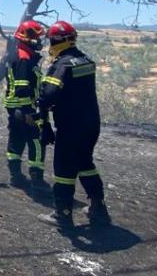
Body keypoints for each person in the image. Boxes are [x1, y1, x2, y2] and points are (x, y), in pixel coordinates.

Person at [38, 20, 111, 231]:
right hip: (90, 125)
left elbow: (48, 95)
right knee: (85, 163)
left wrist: (43, 119)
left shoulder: (62, 65)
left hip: (70, 126)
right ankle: (98, 208)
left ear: (57, 41)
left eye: (51, 40)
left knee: (63, 169)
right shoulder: (86, 61)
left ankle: (63, 214)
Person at [3, 20, 48, 191]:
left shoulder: (18, 54)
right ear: (27, 38)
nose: (40, 41)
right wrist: (28, 111)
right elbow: (22, 87)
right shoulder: (23, 57)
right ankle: (37, 180)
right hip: (24, 108)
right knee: (36, 141)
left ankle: (16, 176)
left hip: (15, 108)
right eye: (37, 38)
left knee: (16, 141)